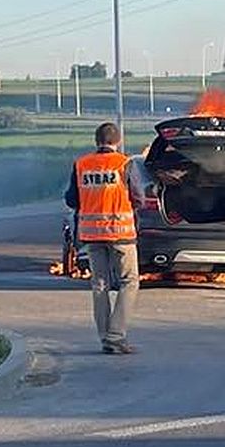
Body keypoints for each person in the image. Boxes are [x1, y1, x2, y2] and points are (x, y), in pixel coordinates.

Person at [65, 122, 144, 354]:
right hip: (121, 234)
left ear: (96, 141)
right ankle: (116, 335)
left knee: (99, 284)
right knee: (130, 281)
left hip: (92, 235)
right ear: (117, 141)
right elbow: (138, 197)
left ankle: (104, 338)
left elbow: (71, 199)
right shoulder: (125, 163)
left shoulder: (81, 165)